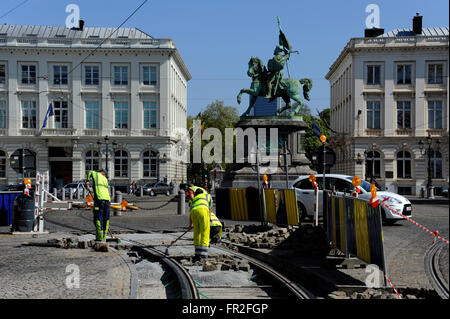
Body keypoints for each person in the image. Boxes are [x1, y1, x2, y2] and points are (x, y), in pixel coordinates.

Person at [86, 169, 111, 242]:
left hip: (99, 199)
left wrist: (87, 182)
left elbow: (89, 172)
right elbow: (101, 189)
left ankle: (99, 238)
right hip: (107, 200)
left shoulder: (96, 174)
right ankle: (104, 237)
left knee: (98, 217)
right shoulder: (105, 179)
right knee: (105, 218)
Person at [188, 188, 211, 262]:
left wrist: (191, 224)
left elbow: (191, 211)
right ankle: (203, 255)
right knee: (205, 232)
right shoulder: (207, 196)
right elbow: (209, 209)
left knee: (197, 233)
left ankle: (197, 254)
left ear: (196, 194)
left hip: (194, 213)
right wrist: (209, 218)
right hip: (203, 211)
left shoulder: (194, 199)